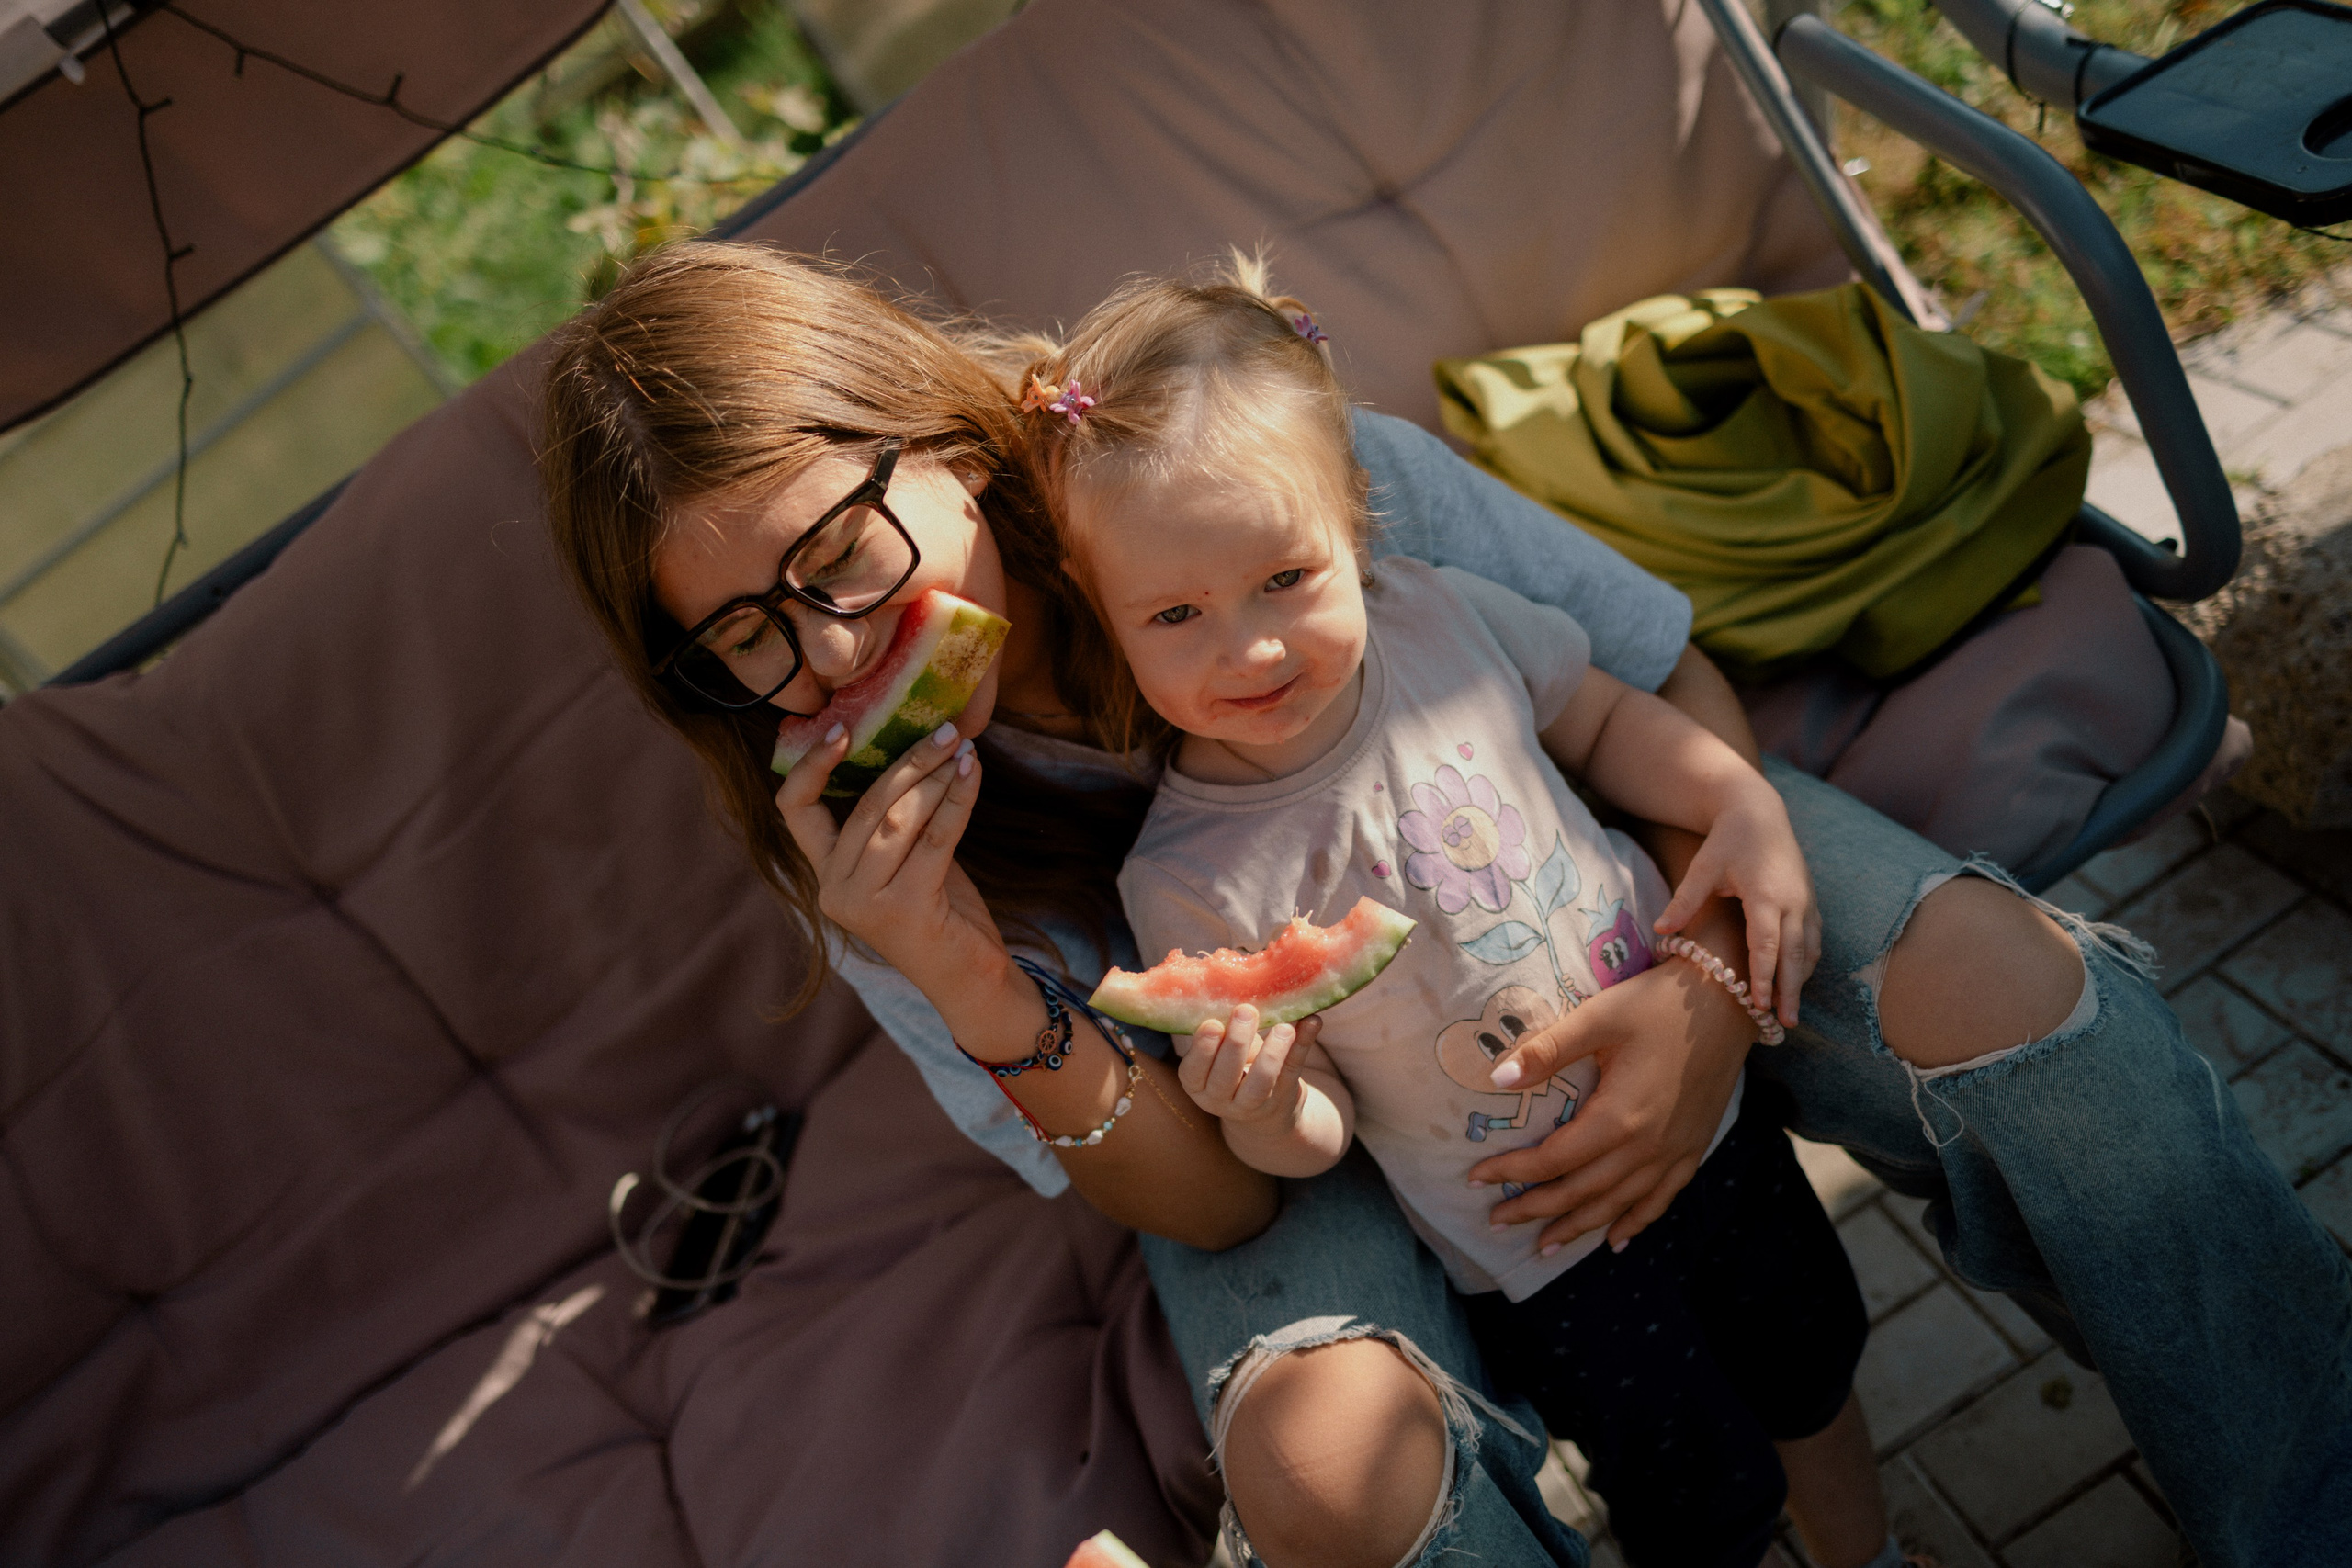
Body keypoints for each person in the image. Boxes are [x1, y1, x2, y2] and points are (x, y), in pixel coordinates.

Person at [537, 241, 2352, 1568]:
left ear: (932, 430)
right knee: (1332, 1478)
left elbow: (1654, 683)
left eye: (838, 559)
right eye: (750, 635)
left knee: (2023, 997)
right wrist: (952, 963)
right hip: (1301, 1127)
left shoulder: (1272, 481)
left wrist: (1706, 983)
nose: (837, 652)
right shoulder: (857, 859)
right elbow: (1223, 1185)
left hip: (1604, 901)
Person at [1016, 259, 1908, 1568]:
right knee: (1696, 1498)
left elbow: (1605, 719)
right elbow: (1317, 1140)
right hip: (1549, 1248)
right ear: (1108, 630)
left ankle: (1867, 1559)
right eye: (1176, 615)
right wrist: (1263, 1105)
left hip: (1712, 1123)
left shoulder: (1443, 624)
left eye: (1285, 579)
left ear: (1356, 524)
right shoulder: (1184, 877)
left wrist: (1740, 804)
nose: (1250, 648)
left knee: (1815, 1371)